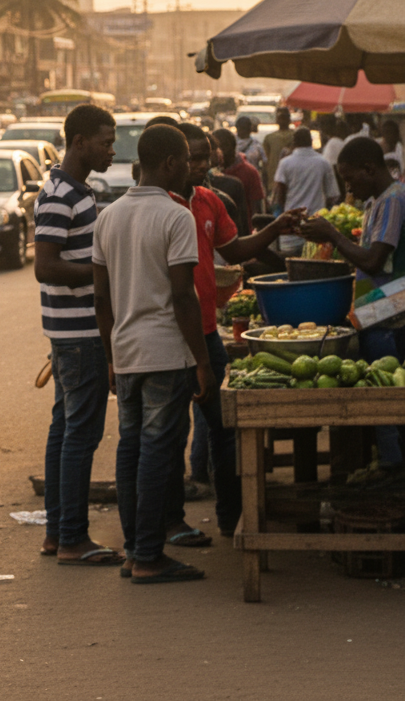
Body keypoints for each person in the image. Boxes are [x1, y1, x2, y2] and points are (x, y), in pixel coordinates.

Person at [168, 123, 304, 543]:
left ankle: (230, 518)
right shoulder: (162, 208)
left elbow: (235, 248)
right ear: (171, 160)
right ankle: (169, 523)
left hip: (208, 331)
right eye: (193, 157)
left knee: (225, 428)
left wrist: (274, 229)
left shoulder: (208, 201)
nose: (201, 165)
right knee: (168, 435)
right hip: (170, 338)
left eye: (206, 156)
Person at [92, 124, 214, 584]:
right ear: (168, 163)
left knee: (131, 448)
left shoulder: (110, 216)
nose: (189, 168)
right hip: (165, 352)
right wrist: (203, 361)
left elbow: (100, 299)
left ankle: (134, 551)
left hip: (125, 352)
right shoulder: (175, 216)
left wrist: (109, 353)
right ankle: (146, 555)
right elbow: (184, 297)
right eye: (184, 159)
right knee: (158, 453)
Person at [34, 104, 122, 566]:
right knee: (80, 436)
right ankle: (72, 538)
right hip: (79, 335)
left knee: (64, 431)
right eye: (106, 142)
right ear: (80, 141)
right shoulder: (60, 195)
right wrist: (101, 273)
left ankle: (57, 532)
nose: (112, 150)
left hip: (73, 334)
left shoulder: (77, 190)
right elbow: (44, 266)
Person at [300, 136, 405, 472]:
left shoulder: (393, 200)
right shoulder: (376, 202)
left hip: (391, 316)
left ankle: (393, 469)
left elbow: (374, 261)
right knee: (382, 399)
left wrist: (333, 234)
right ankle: (390, 463)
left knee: (387, 401)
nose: (347, 188)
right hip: (375, 313)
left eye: (349, 179)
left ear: (369, 169)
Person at [273, 127, 340, 254]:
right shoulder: (323, 162)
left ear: (294, 142)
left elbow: (279, 194)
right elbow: (333, 196)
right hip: (317, 230)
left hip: (291, 229)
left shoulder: (285, 163)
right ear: (311, 141)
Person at [215, 127, 265, 219]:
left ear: (232, 147)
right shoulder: (208, 173)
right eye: (215, 148)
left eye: (222, 147)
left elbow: (257, 207)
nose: (218, 152)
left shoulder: (249, 172)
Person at [263, 107, 295, 193]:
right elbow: (266, 162)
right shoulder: (269, 138)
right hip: (274, 181)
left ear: (289, 119)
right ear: (277, 119)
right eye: (280, 117)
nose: (282, 120)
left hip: (293, 181)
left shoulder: (296, 136)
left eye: (284, 117)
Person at [235, 116, 267, 184]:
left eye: (245, 128)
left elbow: (265, 163)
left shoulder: (256, 144)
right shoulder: (231, 142)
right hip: (235, 180)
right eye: (242, 128)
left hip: (252, 180)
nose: (243, 131)